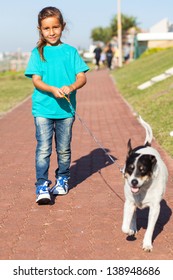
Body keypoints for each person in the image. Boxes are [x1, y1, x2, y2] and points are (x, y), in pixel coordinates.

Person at [25, 6, 89, 204]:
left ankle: (63, 178)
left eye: (55, 27)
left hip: (66, 111)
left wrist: (71, 86)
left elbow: (82, 77)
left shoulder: (70, 52)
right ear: (40, 29)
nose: (51, 32)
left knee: (63, 148)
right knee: (43, 149)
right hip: (43, 109)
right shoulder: (38, 53)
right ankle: (42, 185)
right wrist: (52, 89)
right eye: (46, 28)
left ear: (63, 27)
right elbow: (36, 80)